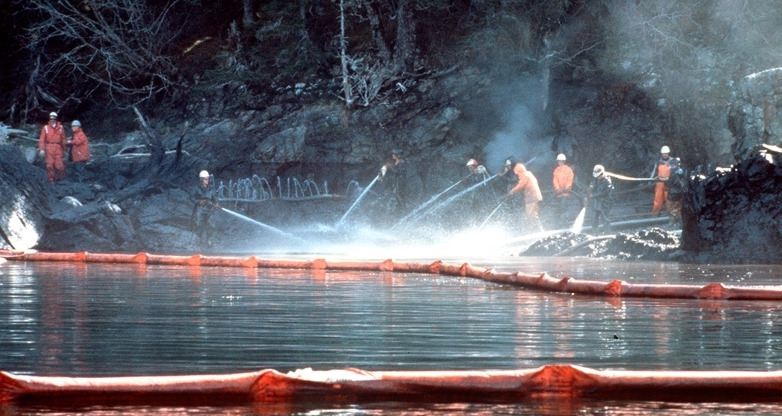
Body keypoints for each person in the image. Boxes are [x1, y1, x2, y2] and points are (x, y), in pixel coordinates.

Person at [377, 149, 423, 215]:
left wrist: (391, 168)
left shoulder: (402, 163)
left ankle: (407, 211)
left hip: (401, 182)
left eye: (394, 154)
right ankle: (403, 210)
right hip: (395, 182)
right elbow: (389, 171)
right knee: (396, 196)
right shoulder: (395, 163)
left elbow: (399, 172)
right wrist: (385, 170)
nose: (392, 155)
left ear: (398, 155)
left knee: (399, 196)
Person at [506, 160, 544, 233]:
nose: (518, 176)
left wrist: (511, 192)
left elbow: (520, 185)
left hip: (532, 198)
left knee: (532, 216)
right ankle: (534, 231)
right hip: (533, 198)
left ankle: (539, 232)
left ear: (519, 171)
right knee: (530, 216)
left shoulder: (525, 175)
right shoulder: (529, 174)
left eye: (517, 174)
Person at [191, 170, 220, 247]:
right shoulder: (196, 188)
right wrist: (199, 202)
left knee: (211, 225)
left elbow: (215, 197)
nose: (208, 181)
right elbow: (191, 198)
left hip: (209, 209)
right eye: (206, 179)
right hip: (200, 209)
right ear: (201, 180)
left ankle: (209, 240)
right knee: (198, 223)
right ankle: (199, 239)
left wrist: (216, 203)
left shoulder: (211, 188)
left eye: (208, 179)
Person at [38, 111, 67, 183]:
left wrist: (64, 149)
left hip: (58, 147)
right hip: (49, 147)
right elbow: (42, 139)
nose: (52, 120)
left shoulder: (60, 127)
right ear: (49, 119)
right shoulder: (46, 128)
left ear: (56, 119)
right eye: (51, 119)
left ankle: (62, 180)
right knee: (49, 165)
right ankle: (51, 181)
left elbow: (63, 139)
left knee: (60, 166)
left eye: (53, 119)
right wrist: (41, 149)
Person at [586, 164, 614, 235]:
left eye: (598, 176)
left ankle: (607, 235)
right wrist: (590, 188)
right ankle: (595, 235)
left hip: (604, 203)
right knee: (594, 219)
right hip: (596, 203)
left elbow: (603, 192)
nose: (597, 177)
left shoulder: (607, 182)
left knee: (605, 219)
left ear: (602, 173)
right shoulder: (595, 180)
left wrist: (593, 195)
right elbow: (593, 187)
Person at [552, 153, 575, 225]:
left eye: (560, 161)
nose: (559, 162)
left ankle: (564, 221)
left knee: (563, 205)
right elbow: (555, 180)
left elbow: (569, 180)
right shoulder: (556, 170)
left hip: (566, 193)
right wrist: (557, 188)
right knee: (558, 207)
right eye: (558, 161)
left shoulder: (568, 170)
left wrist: (567, 188)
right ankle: (559, 221)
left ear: (563, 161)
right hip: (558, 193)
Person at [665, 157, 687, 227]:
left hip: (673, 193)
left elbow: (669, 183)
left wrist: (665, 182)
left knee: (670, 209)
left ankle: (672, 221)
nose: (671, 167)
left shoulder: (674, 174)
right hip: (681, 193)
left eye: (672, 165)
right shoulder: (682, 172)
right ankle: (682, 223)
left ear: (677, 165)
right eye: (671, 165)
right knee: (679, 209)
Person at [651, 145, 672, 216]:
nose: (665, 155)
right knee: (657, 200)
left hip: (668, 183)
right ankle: (655, 214)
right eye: (664, 153)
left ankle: (671, 215)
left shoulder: (672, 162)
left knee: (669, 199)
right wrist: (651, 179)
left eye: (666, 153)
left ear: (668, 153)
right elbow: (654, 172)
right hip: (659, 183)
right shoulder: (658, 162)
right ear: (661, 154)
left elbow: (675, 173)